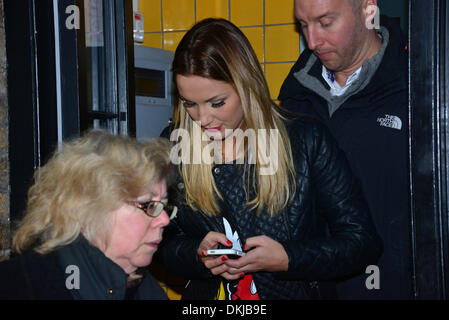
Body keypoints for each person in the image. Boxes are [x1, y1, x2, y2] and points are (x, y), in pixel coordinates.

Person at [157, 18, 382, 300]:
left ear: (246, 86)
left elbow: (362, 244)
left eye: (217, 103)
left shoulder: (305, 140)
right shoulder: (176, 143)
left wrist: (289, 258)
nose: (202, 119)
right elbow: (159, 243)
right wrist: (195, 254)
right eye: (189, 103)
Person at [278, 0, 410, 299]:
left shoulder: (419, 83)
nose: (312, 41)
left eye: (325, 23)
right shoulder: (295, 99)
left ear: (367, 9)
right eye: (303, 25)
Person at [0, 130, 177, 300]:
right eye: (149, 205)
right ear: (88, 208)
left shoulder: (145, 288)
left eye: (163, 205)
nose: (164, 219)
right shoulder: (18, 287)